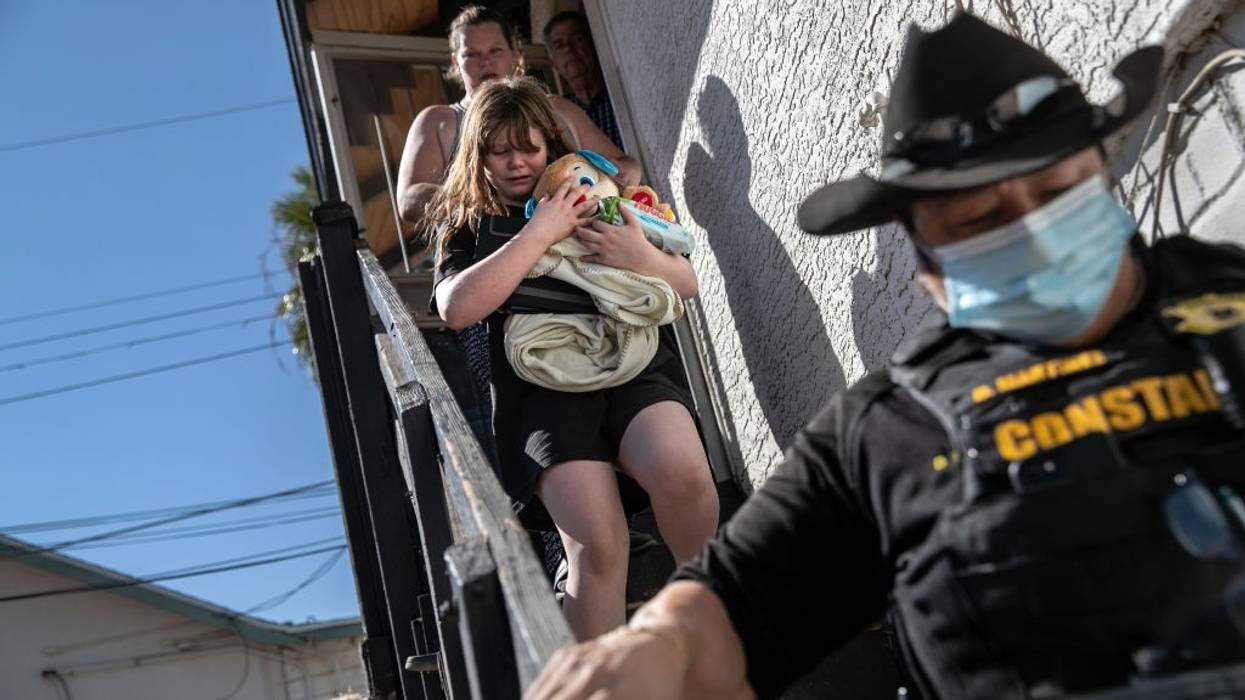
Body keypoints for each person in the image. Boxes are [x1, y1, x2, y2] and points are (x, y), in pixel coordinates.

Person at [525, 13, 1245, 699]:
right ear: (924, 256)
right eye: (981, 218)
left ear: (1101, 165)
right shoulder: (888, 429)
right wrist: (651, 651)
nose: (1035, 227)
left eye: (1059, 189)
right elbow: (735, 607)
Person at [426, 76, 719, 642]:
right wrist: (538, 233)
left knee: (682, 470)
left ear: (551, 144)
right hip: (541, 391)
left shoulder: (599, 189)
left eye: (528, 147)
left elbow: (686, 281)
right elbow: (455, 309)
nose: (515, 163)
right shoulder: (464, 222)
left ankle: (710, 626)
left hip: (631, 365)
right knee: (598, 542)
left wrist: (641, 256)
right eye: (498, 150)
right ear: (478, 153)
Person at [396, 5, 638, 229]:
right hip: (484, 253)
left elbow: (628, 167)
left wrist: (593, 191)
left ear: (515, 53)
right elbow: (408, 198)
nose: (485, 62)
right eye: (471, 55)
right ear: (455, 62)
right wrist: (480, 207)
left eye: (495, 50)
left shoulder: (557, 108)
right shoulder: (438, 120)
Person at [543, 11, 623, 149]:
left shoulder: (619, 99)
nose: (568, 48)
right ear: (554, 64)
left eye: (577, 39)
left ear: (594, 45)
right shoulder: (558, 114)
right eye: (559, 46)